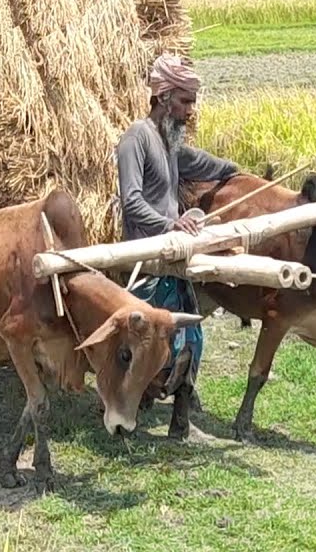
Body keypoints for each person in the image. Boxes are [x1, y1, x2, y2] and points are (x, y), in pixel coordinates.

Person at [115, 52, 238, 436]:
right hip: (145, 261)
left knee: (191, 335)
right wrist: (172, 223)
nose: (190, 110)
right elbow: (131, 201)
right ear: (164, 97)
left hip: (173, 255)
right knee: (142, 345)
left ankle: (180, 422)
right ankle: (124, 415)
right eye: (185, 101)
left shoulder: (168, 144)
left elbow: (200, 163)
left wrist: (235, 172)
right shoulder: (136, 139)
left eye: (192, 102)